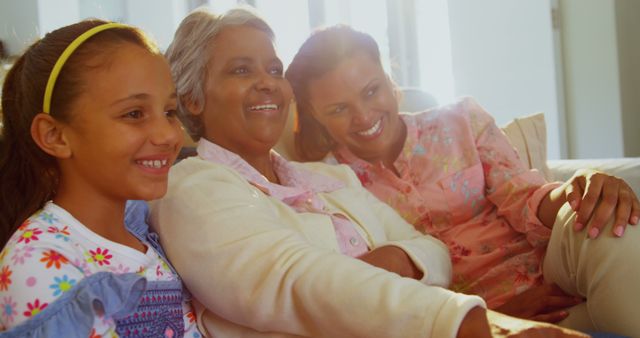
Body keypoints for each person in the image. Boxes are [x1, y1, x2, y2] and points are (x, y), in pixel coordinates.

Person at [151, 7, 588, 338]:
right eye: (241, 70)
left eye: (274, 69)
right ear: (191, 98)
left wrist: (391, 260)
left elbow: (433, 250)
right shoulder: (191, 185)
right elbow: (297, 283)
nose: (267, 82)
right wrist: (476, 323)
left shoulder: (328, 180)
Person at [285, 24, 640, 336]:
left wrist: (582, 187)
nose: (363, 116)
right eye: (338, 109)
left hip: (555, 274)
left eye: (371, 90)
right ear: (315, 115)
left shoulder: (460, 120)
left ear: (387, 78)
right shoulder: (326, 186)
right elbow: (377, 292)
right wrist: (489, 317)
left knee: (612, 223)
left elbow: (525, 198)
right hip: (471, 324)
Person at [0, 20, 201, 337]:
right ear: (55, 136)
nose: (168, 135)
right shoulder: (40, 261)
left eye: (169, 111)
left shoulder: (148, 240)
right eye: (134, 114)